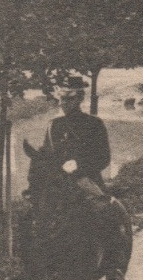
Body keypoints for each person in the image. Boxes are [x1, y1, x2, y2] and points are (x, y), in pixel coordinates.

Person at [44, 73, 113, 202]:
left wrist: (79, 166)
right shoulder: (53, 125)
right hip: (58, 184)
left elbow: (104, 158)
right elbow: (47, 156)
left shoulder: (94, 123)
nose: (64, 103)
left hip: (87, 183)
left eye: (69, 99)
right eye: (62, 99)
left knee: (107, 211)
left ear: (80, 98)